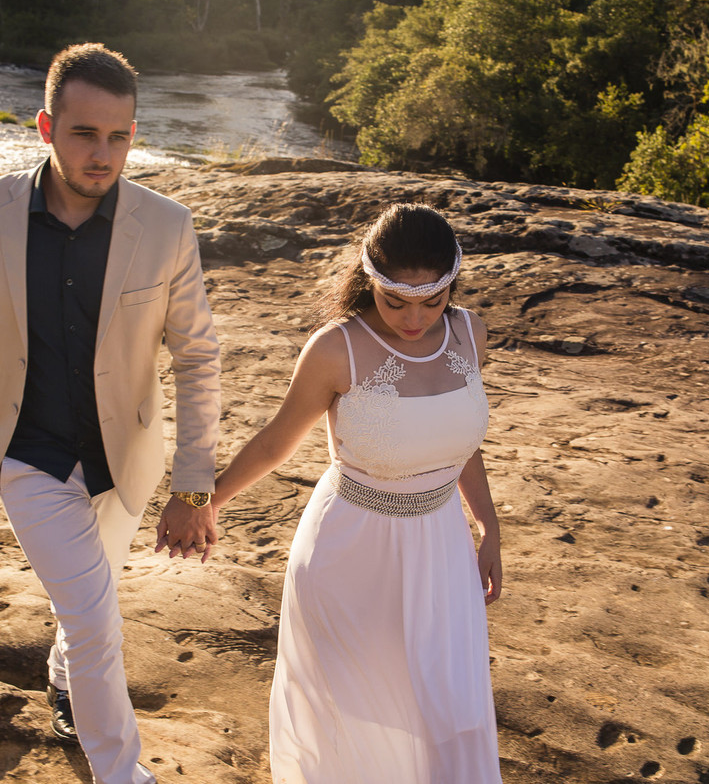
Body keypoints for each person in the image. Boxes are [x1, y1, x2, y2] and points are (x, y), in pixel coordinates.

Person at [0, 43, 221, 784]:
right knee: (95, 616)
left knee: (86, 601)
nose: (104, 153)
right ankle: (121, 771)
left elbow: (197, 357)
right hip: (27, 450)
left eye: (120, 135)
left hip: (125, 459)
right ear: (45, 126)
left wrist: (193, 486)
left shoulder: (166, 225)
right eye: (86, 133)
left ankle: (63, 678)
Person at [179, 203, 503, 783]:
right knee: (359, 708)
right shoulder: (337, 348)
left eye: (432, 300)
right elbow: (277, 442)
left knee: (443, 704)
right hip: (351, 550)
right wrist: (205, 500)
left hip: (442, 546)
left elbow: (459, 442)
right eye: (396, 300)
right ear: (368, 279)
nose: (414, 319)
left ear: (452, 283)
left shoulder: (470, 333)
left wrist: (489, 527)